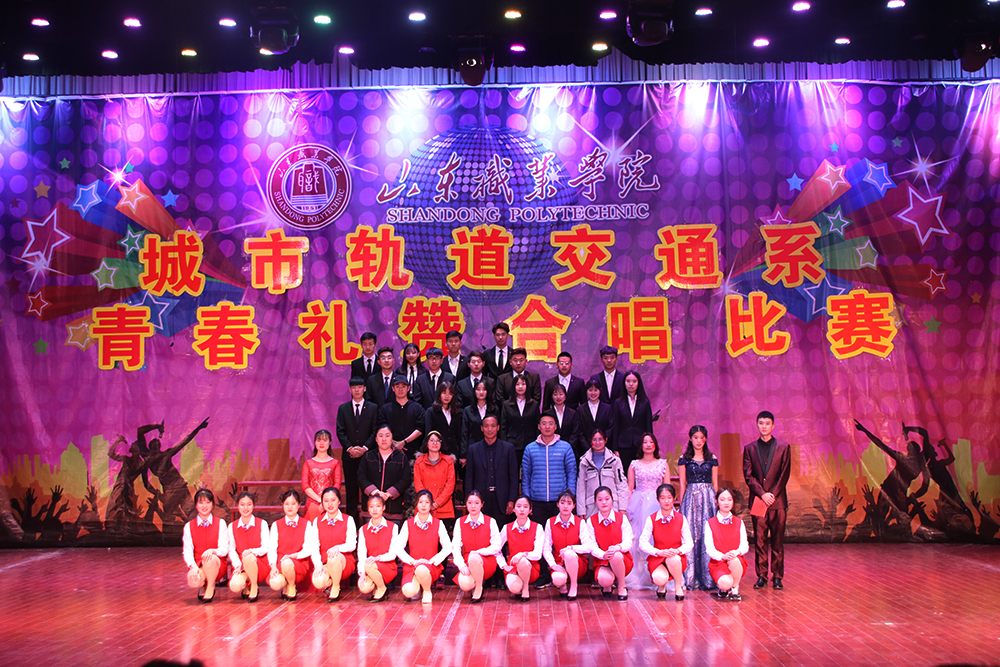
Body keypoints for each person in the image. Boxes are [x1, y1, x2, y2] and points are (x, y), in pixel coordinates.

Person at [744, 410, 791, 590]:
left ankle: (777, 576)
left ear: (773, 425)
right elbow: (748, 476)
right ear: (757, 425)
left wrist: (772, 494)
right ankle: (762, 575)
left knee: (778, 540)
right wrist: (762, 494)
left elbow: (784, 474)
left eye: (767, 423)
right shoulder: (750, 448)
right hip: (759, 500)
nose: (764, 426)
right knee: (760, 540)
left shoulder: (783, 447)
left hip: (777, 501)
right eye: (761, 423)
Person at [625, 433, 670, 590]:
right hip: (639, 503)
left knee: (657, 539)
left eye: (651, 442)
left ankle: (658, 574)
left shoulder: (663, 464)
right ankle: (637, 576)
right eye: (645, 442)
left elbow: (667, 488)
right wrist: (627, 509)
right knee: (637, 539)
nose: (648, 445)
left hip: (657, 504)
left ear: (655, 445)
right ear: (641, 446)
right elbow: (630, 488)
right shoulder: (634, 464)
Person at [677, 425, 719, 591]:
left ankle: (708, 578)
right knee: (691, 535)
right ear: (690, 438)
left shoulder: (712, 458)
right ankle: (691, 577)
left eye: (702, 438)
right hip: (691, 498)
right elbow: (682, 483)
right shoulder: (684, 458)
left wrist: (716, 502)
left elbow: (715, 483)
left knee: (706, 534)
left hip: (708, 498)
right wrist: (682, 505)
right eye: (695, 437)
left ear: (705, 439)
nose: (699, 441)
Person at [394, 490, 452, 604]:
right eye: (420, 502)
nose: (423, 505)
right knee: (408, 592)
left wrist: (433, 560)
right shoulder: (408, 524)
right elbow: (398, 547)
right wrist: (412, 561)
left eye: (427, 502)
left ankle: (427, 590)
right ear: (416, 504)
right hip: (413, 565)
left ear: (431, 505)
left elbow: (448, 546)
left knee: (422, 569)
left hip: (431, 566)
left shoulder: (438, 523)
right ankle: (418, 584)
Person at [521, 413, 577, 529]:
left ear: (555, 427)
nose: (547, 427)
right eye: (544, 423)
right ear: (539, 426)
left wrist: (569, 496)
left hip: (560, 502)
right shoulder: (530, 448)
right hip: (536, 502)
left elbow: (571, 473)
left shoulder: (565, 447)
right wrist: (527, 499)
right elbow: (526, 476)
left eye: (550, 424)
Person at [639, 484, 693, 600]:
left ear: (674, 498)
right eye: (663, 498)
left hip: (676, 558)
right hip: (658, 558)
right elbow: (642, 543)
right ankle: (661, 585)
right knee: (659, 578)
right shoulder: (652, 519)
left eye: (669, 497)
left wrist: (677, 550)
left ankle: (678, 586)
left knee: (673, 558)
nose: (666, 501)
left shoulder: (681, 518)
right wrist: (658, 552)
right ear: (658, 499)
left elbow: (689, 543)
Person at [336, 377, 378, 521]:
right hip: (349, 457)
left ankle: (369, 522)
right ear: (350, 390)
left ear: (364, 389)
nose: (357, 390)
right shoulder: (343, 408)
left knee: (368, 489)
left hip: (368, 456)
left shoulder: (373, 408)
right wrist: (350, 448)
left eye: (359, 387)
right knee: (351, 491)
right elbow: (340, 431)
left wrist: (364, 448)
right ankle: (352, 524)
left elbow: (375, 431)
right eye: (354, 387)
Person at [582, 486, 633, 600]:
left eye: (607, 499)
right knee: (604, 580)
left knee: (616, 555)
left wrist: (617, 548)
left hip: (621, 558)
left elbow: (629, 541)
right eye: (600, 500)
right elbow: (591, 545)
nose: (604, 502)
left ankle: (622, 586)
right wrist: (603, 555)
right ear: (595, 502)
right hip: (602, 560)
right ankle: (607, 585)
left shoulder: (622, 518)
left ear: (612, 500)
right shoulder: (591, 521)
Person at [466, 415, 518, 524]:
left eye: (493, 426)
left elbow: (513, 477)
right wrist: (470, 501)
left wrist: (511, 500)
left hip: (502, 500)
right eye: (486, 426)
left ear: (498, 427)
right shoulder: (473, 449)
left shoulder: (508, 448)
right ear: (482, 428)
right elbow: (469, 478)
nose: (490, 429)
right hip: (481, 499)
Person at [308, 487, 357, 601]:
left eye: (333, 500)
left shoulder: (348, 519)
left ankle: (335, 586)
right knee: (318, 581)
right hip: (325, 562)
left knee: (333, 557)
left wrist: (337, 548)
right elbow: (314, 546)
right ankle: (330, 582)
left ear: (339, 501)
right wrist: (318, 565)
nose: (330, 504)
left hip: (343, 561)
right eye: (326, 501)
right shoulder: (317, 521)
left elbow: (352, 545)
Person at [452, 490, 501, 603]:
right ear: (466, 504)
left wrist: (479, 552)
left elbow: (497, 546)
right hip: (468, 561)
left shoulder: (491, 521)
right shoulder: (460, 522)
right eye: (470, 503)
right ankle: (474, 582)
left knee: (474, 557)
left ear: (482, 504)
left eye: (476, 503)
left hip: (486, 561)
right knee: (465, 584)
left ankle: (479, 587)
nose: (473, 506)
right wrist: (462, 566)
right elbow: (455, 547)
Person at [182, 488, 228, 603]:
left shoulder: (220, 523)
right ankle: (202, 583)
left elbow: (224, 549)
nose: (204, 506)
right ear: (196, 505)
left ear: (212, 505)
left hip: (217, 564)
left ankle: (210, 586)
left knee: (210, 559)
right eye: (201, 502)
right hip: (199, 564)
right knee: (193, 581)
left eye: (208, 502)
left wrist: (213, 551)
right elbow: (187, 551)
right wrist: (193, 567)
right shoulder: (189, 526)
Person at [357, 425, 411, 521]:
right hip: (371, 510)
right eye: (380, 436)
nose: (384, 439)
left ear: (392, 438)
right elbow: (361, 477)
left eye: (387, 435)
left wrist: (389, 493)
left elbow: (406, 479)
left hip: (393, 508)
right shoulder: (368, 456)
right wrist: (375, 492)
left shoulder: (401, 458)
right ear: (376, 439)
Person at [543, 490, 588, 600]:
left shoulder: (580, 522)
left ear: (574, 506)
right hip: (559, 562)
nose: (565, 506)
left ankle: (573, 585)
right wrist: (553, 564)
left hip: (577, 562)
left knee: (569, 553)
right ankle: (562, 585)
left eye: (569, 503)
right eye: (562, 503)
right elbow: (546, 547)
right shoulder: (550, 522)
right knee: (557, 579)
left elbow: (588, 546)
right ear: (557, 505)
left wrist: (571, 548)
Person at [267, 489, 312, 600]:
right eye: (287, 504)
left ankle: (292, 586)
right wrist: (273, 566)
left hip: (299, 564)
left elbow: (308, 548)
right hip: (280, 564)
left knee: (287, 563)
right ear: (282, 505)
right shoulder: (276, 525)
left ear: (299, 505)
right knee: (275, 583)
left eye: (293, 503)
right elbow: (272, 549)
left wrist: (295, 556)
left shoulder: (306, 524)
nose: (290, 507)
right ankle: (285, 584)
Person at [705, 488, 749, 601]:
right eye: (722, 499)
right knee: (725, 583)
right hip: (719, 562)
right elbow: (709, 548)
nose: (726, 502)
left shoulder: (739, 522)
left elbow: (744, 545)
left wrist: (736, 552)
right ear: (717, 501)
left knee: (734, 559)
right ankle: (725, 587)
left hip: (736, 561)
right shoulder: (710, 523)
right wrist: (722, 556)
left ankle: (735, 587)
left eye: (729, 499)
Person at [497, 496, 543, 601]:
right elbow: (496, 549)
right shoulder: (507, 527)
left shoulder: (537, 527)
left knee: (523, 561)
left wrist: (523, 554)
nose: (522, 509)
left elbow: (538, 554)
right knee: (515, 588)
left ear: (530, 510)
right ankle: (519, 586)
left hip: (531, 567)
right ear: (514, 509)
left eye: (525, 507)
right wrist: (503, 565)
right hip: (513, 568)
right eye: (518, 506)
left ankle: (526, 588)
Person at [227, 491, 270, 603]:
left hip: (259, 563)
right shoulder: (232, 526)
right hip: (242, 564)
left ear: (253, 506)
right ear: (238, 506)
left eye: (249, 504)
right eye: (242, 504)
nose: (245, 508)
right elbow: (231, 550)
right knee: (235, 585)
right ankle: (246, 585)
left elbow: (265, 547)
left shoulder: (262, 523)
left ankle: (254, 586)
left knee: (249, 557)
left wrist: (251, 551)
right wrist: (237, 565)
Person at [357, 494, 399, 602]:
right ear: (368, 509)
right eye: (371, 506)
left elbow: (393, 554)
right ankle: (377, 585)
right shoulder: (363, 529)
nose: (375, 509)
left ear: (383, 507)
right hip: (370, 567)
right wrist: (362, 573)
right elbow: (361, 553)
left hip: (387, 566)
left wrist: (378, 558)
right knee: (364, 587)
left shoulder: (393, 527)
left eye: (378, 506)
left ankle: (382, 588)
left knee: (369, 564)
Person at [577, 429, 628, 518]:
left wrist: (622, 508)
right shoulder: (584, 462)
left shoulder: (614, 460)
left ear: (605, 440)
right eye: (594, 440)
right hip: (592, 507)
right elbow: (581, 487)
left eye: (600, 439)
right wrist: (581, 510)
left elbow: (621, 485)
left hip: (613, 506)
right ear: (590, 441)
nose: (597, 443)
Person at [610, 370, 653, 474]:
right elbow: (615, 426)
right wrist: (615, 448)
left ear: (638, 383)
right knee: (625, 473)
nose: (631, 384)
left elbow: (648, 426)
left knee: (640, 473)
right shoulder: (618, 403)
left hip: (640, 445)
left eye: (634, 381)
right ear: (624, 383)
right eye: (628, 381)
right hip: (623, 445)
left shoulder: (645, 402)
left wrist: (649, 444)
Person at [412, 431, 456, 528]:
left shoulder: (448, 461)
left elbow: (450, 485)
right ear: (426, 443)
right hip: (424, 508)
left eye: (437, 441)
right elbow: (418, 484)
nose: (434, 443)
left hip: (444, 509)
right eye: (431, 440)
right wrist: (427, 502)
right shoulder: (419, 462)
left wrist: (437, 503)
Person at [379, 375, 425, 459]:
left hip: (413, 451)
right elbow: (381, 427)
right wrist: (393, 443)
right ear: (393, 388)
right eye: (397, 386)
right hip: (390, 450)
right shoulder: (385, 408)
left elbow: (420, 428)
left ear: (408, 388)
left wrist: (404, 442)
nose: (400, 389)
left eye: (403, 386)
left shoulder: (417, 408)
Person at [301, 429, 343, 521]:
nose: (321, 443)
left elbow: (337, 484)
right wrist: (320, 500)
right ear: (315, 443)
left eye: (325, 440)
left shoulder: (335, 463)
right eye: (319, 440)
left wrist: (326, 501)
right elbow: (305, 485)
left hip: (330, 503)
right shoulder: (308, 463)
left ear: (330, 442)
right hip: (312, 503)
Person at [500, 375, 541, 466]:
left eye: (523, 384)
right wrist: (504, 445)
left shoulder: (534, 404)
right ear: (513, 387)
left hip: (530, 444)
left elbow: (537, 426)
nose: (520, 387)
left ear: (527, 386)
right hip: (512, 444)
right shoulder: (507, 404)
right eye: (517, 384)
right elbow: (503, 427)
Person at [460, 380, 494, 467]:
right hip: (473, 448)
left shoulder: (494, 409)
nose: (481, 392)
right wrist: (463, 454)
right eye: (478, 389)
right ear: (474, 392)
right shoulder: (468, 410)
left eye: (484, 389)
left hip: (491, 448)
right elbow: (464, 433)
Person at [424, 381, 461, 459]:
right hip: (437, 452)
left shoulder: (456, 412)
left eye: (450, 394)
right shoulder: (431, 412)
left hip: (453, 452)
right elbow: (428, 433)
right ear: (439, 394)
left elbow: (459, 434)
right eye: (444, 393)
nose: (447, 396)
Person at [549, 384, 583, 458]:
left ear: (565, 396)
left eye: (561, 394)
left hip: (571, 451)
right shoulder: (548, 414)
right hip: (552, 451)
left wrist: (567, 448)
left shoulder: (573, 413)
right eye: (555, 394)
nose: (558, 397)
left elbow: (575, 433)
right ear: (552, 396)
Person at [578, 379, 614, 446]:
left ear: (600, 391)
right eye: (590, 390)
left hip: (604, 446)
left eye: (596, 390)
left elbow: (610, 427)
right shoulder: (580, 410)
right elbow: (579, 431)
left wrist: (602, 442)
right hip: (585, 448)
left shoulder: (607, 408)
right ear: (586, 391)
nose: (593, 393)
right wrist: (587, 447)